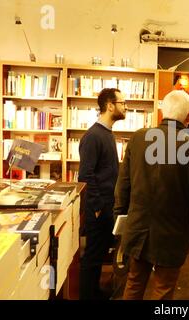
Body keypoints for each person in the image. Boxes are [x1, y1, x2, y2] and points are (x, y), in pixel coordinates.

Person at [114, 90, 189, 300]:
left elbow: (123, 184)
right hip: (174, 231)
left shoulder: (139, 138)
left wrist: (121, 216)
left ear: (162, 112)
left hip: (138, 225)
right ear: (188, 117)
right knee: (164, 289)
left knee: (133, 283)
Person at [78, 88, 127, 300]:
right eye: (122, 103)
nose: (125, 107)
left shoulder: (107, 133)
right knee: (92, 257)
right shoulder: (93, 136)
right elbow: (85, 174)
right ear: (110, 105)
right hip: (99, 208)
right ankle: (87, 296)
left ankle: (95, 292)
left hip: (107, 206)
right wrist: (97, 207)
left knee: (98, 255)